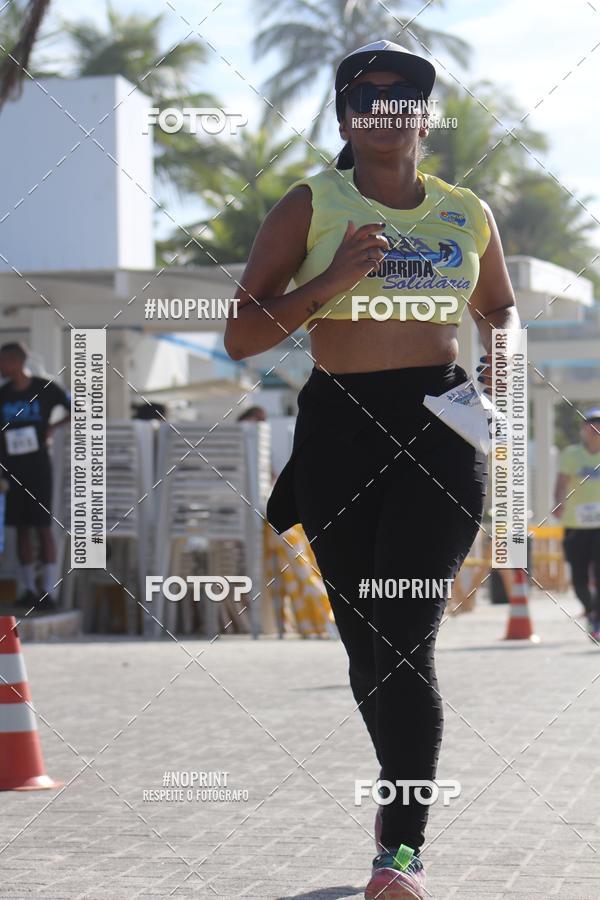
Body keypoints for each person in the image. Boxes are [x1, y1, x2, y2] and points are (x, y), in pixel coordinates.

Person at [225, 39, 520, 899]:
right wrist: (333, 279)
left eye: (403, 94)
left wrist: (498, 360)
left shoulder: (468, 211)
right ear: (346, 116)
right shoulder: (312, 203)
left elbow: (496, 306)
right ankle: (397, 811)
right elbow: (242, 334)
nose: (385, 105)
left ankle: (402, 849)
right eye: (366, 92)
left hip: (439, 426)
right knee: (367, 650)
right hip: (339, 432)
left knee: (404, 637)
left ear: (423, 116)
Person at [0, 342, 71, 610]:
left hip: (38, 466)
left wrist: (52, 428)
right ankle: (28, 588)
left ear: (17, 362)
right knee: (20, 530)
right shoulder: (4, 394)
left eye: (4, 361)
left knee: (43, 527)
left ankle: (48, 591)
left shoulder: (45, 388)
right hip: (11, 467)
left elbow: (77, 409)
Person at [554, 408, 600, 638]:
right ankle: (592, 612)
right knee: (579, 579)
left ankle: (597, 620)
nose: (596, 429)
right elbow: (561, 482)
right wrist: (558, 503)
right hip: (575, 526)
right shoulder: (572, 454)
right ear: (584, 429)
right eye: (592, 424)